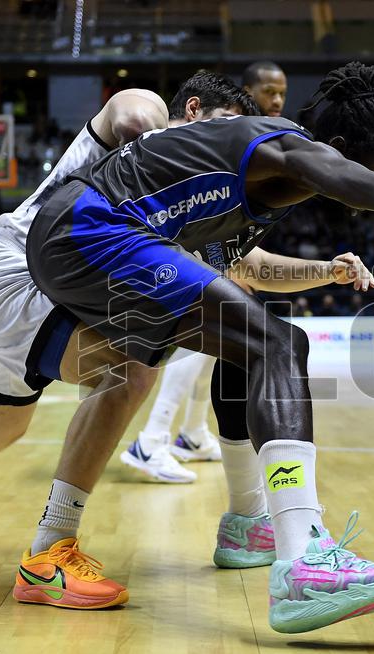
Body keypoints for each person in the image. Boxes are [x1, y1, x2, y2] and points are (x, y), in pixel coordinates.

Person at [19, 62, 374, 632]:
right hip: (87, 230)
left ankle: (249, 523)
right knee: (278, 345)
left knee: (256, 340)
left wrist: (323, 270)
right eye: (360, 174)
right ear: (334, 149)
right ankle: (304, 560)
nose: (356, 203)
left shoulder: (249, 181)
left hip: (80, 236)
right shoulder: (284, 143)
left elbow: (241, 268)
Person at [0, 72, 374, 608]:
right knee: (134, 363)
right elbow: (129, 112)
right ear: (194, 109)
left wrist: (328, 270)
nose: (233, 152)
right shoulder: (151, 122)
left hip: (5, 298)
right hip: (14, 277)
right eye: (225, 129)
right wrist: (162, 141)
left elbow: (249, 266)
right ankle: (48, 555)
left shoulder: (192, 204)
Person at [122, 62, 290, 484]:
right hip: (161, 248)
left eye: (282, 93)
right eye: (268, 91)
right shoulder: (224, 141)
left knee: (216, 343)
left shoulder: (263, 142)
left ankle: (191, 433)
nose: (277, 101)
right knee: (207, 333)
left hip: (207, 245)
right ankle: (152, 439)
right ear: (247, 94)